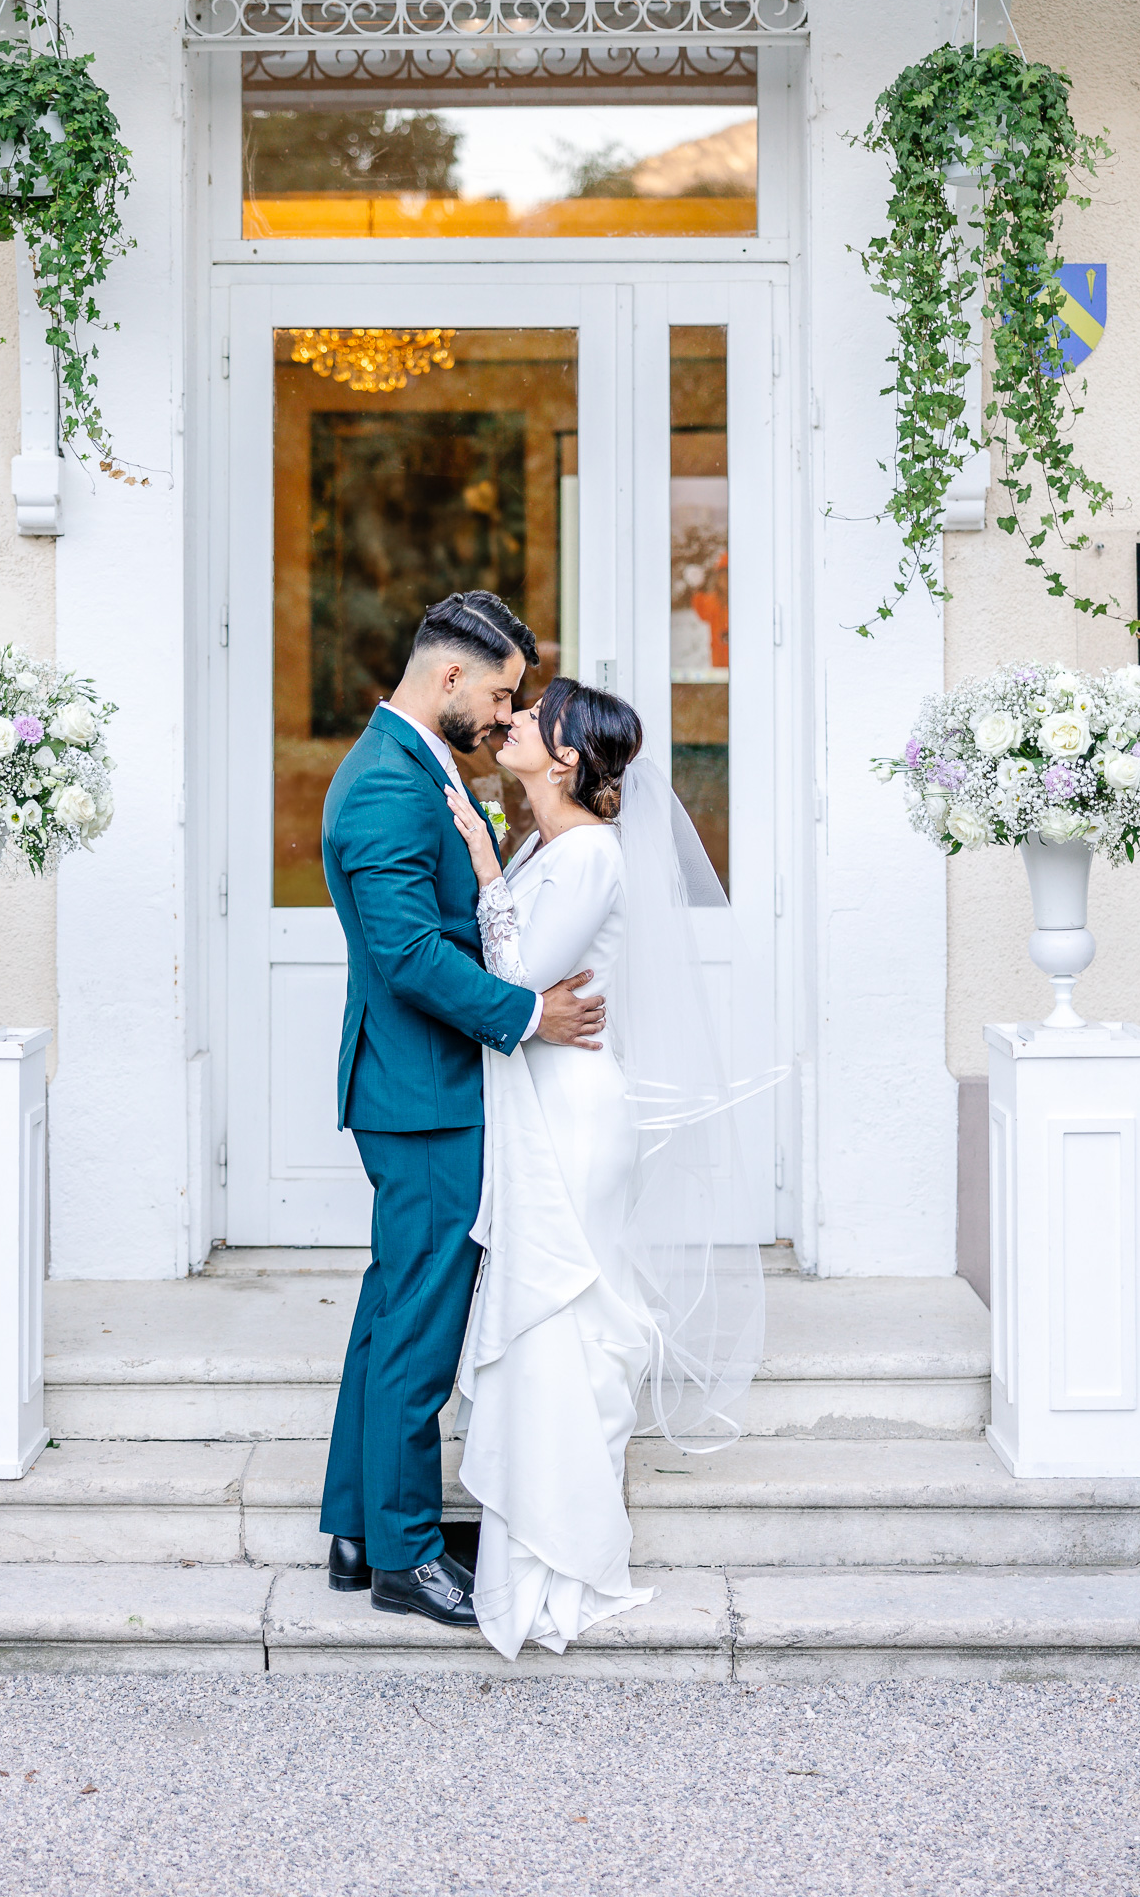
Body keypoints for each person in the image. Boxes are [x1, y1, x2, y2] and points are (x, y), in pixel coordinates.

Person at [444, 677, 766, 1659]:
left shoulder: (583, 855)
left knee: (560, 1312)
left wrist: (482, 868)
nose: (510, 726)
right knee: (546, 1316)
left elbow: (514, 980)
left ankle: (559, 1556)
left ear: (567, 757)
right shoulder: (554, 846)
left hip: (575, 1114)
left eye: (532, 720)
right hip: (543, 1097)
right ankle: (530, 1550)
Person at [318, 592, 607, 1628]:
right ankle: (402, 1552)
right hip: (424, 1094)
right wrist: (527, 1014)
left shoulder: (412, 766)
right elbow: (403, 955)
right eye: (497, 694)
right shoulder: (388, 787)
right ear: (447, 679)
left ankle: (357, 1524)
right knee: (420, 1329)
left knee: (393, 1308)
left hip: (418, 1087)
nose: (502, 715)